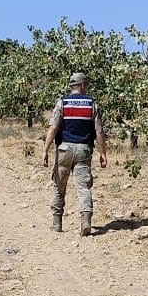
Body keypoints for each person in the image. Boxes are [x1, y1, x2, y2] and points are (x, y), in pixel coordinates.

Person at [42, 72, 107, 234]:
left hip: (64, 149)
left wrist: (45, 150)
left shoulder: (62, 102)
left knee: (58, 186)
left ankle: (57, 223)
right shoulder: (92, 104)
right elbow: (99, 131)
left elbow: (53, 128)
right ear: (83, 85)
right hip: (83, 150)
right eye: (87, 85)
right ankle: (85, 221)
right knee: (83, 187)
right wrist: (103, 153)